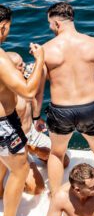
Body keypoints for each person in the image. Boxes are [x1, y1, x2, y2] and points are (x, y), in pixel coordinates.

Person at [40, 2, 94, 193]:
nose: (50, 28)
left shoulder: (46, 49)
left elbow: (39, 87)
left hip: (60, 109)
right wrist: (89, 78)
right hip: (89, 107)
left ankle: (56, 196)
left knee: (56, 154)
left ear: (56, 24)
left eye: (50, 24)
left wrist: (34, 116)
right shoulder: (93, 43)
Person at [0, 5, 45, 216]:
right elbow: (28, 91)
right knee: (19, 170)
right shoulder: (1, 58)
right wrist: (39, 60)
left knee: (2, 162)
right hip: (3, 124)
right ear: (2, 27)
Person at [0, 51, 70, 198]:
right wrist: (34, 150)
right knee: (36, 189)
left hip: (31, 133)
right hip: (17, 140)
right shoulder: (5, 93)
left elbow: (37, 88)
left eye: (23, 63)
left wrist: (37, 118)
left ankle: (32, 157)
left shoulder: (26, 79)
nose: (24, 66)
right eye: (20, 66)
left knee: (64, 161)